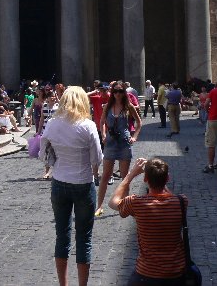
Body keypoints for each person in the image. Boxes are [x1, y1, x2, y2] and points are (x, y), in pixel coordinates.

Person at [39, 86, 102, 286]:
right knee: (84, 238)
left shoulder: (52, 124)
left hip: (60, 182)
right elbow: (97, 158)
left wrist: (58, 160)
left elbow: (43, 154)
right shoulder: (88, 125)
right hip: (83, 183)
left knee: (62, 235)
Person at [109, 157, 189, 285]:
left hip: (146, 273)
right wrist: (160, 177)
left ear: (145, 179)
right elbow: (169, 194)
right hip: (176, 274)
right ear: (167, 178)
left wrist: (130, 175)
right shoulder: (181, 201)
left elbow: (113, 202)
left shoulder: (136, 203)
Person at [94, 86, 142, 216]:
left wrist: (134, 137)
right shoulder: (107, 106)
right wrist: (103, 135)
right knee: (105, 175)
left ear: (124, 93)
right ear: (112, 93)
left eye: (120, 91)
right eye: (115, 91)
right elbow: (102, 122)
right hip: (110, 142)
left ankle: (125, 205)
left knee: (125, 177)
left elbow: (139, 122)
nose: (118, 94)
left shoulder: (129, 106)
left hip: (124, 142)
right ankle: (99, 206)